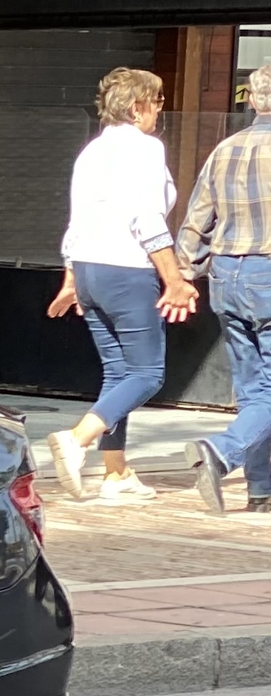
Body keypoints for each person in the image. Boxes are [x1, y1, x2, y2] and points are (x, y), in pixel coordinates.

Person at [45, 66, 200, 502]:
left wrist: (71, 278)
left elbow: (76, 221)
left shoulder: (91, 152)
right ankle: (78, 439)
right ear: (137, 108)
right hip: (128, 270)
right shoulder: (145, 149)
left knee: (118, 373)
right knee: (148, 373)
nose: (159, 111)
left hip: (90, 268)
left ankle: (117, 474)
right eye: (158, 102)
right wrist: (173, 279)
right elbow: (147, 218)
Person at [174, 63, 271, 515]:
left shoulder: (224, 149)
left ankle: (261, 490)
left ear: (253, 100)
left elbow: (195, 222)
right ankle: (221, 452)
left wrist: (183, 276)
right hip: (268, 273)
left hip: (226, 276)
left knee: (254, 389)